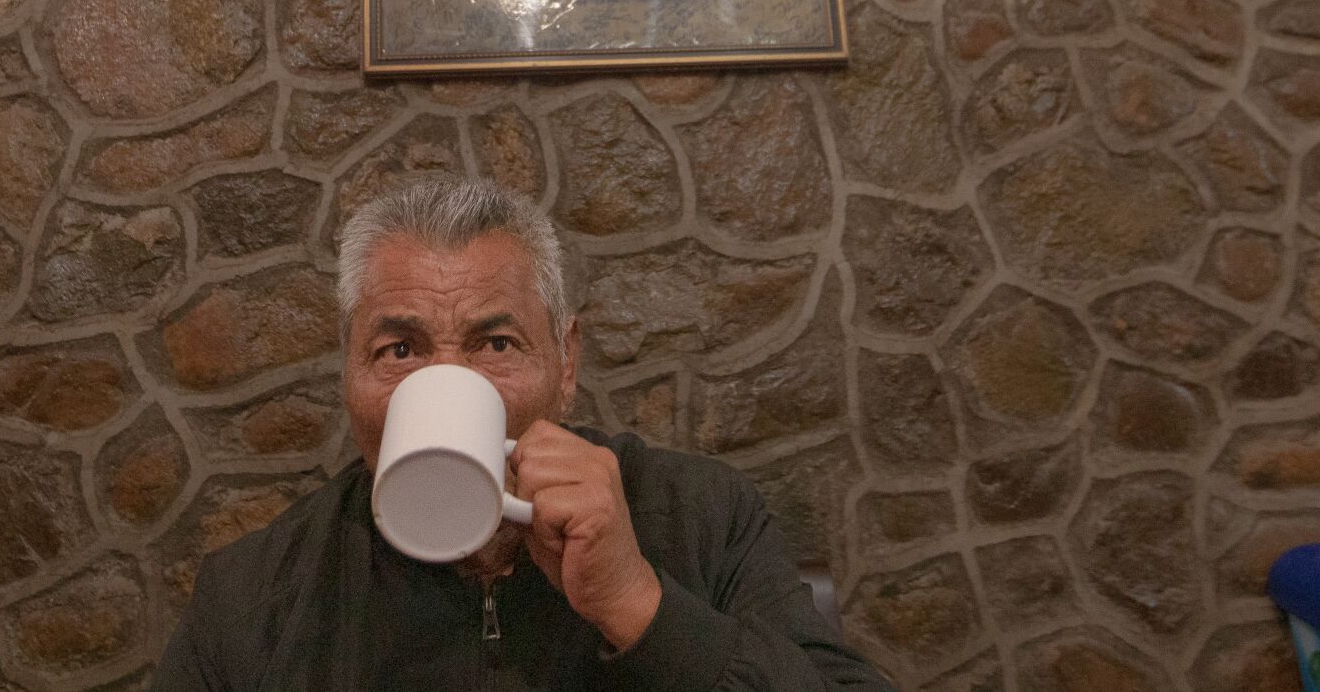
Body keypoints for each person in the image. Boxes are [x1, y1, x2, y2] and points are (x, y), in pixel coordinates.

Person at [152, 178, 896, 690]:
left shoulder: (702, 514)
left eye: (496, 343)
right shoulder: (253, 596)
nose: (444, 383)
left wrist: (639, 602)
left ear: (565, 363)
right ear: (349, 374)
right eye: (399, 349)